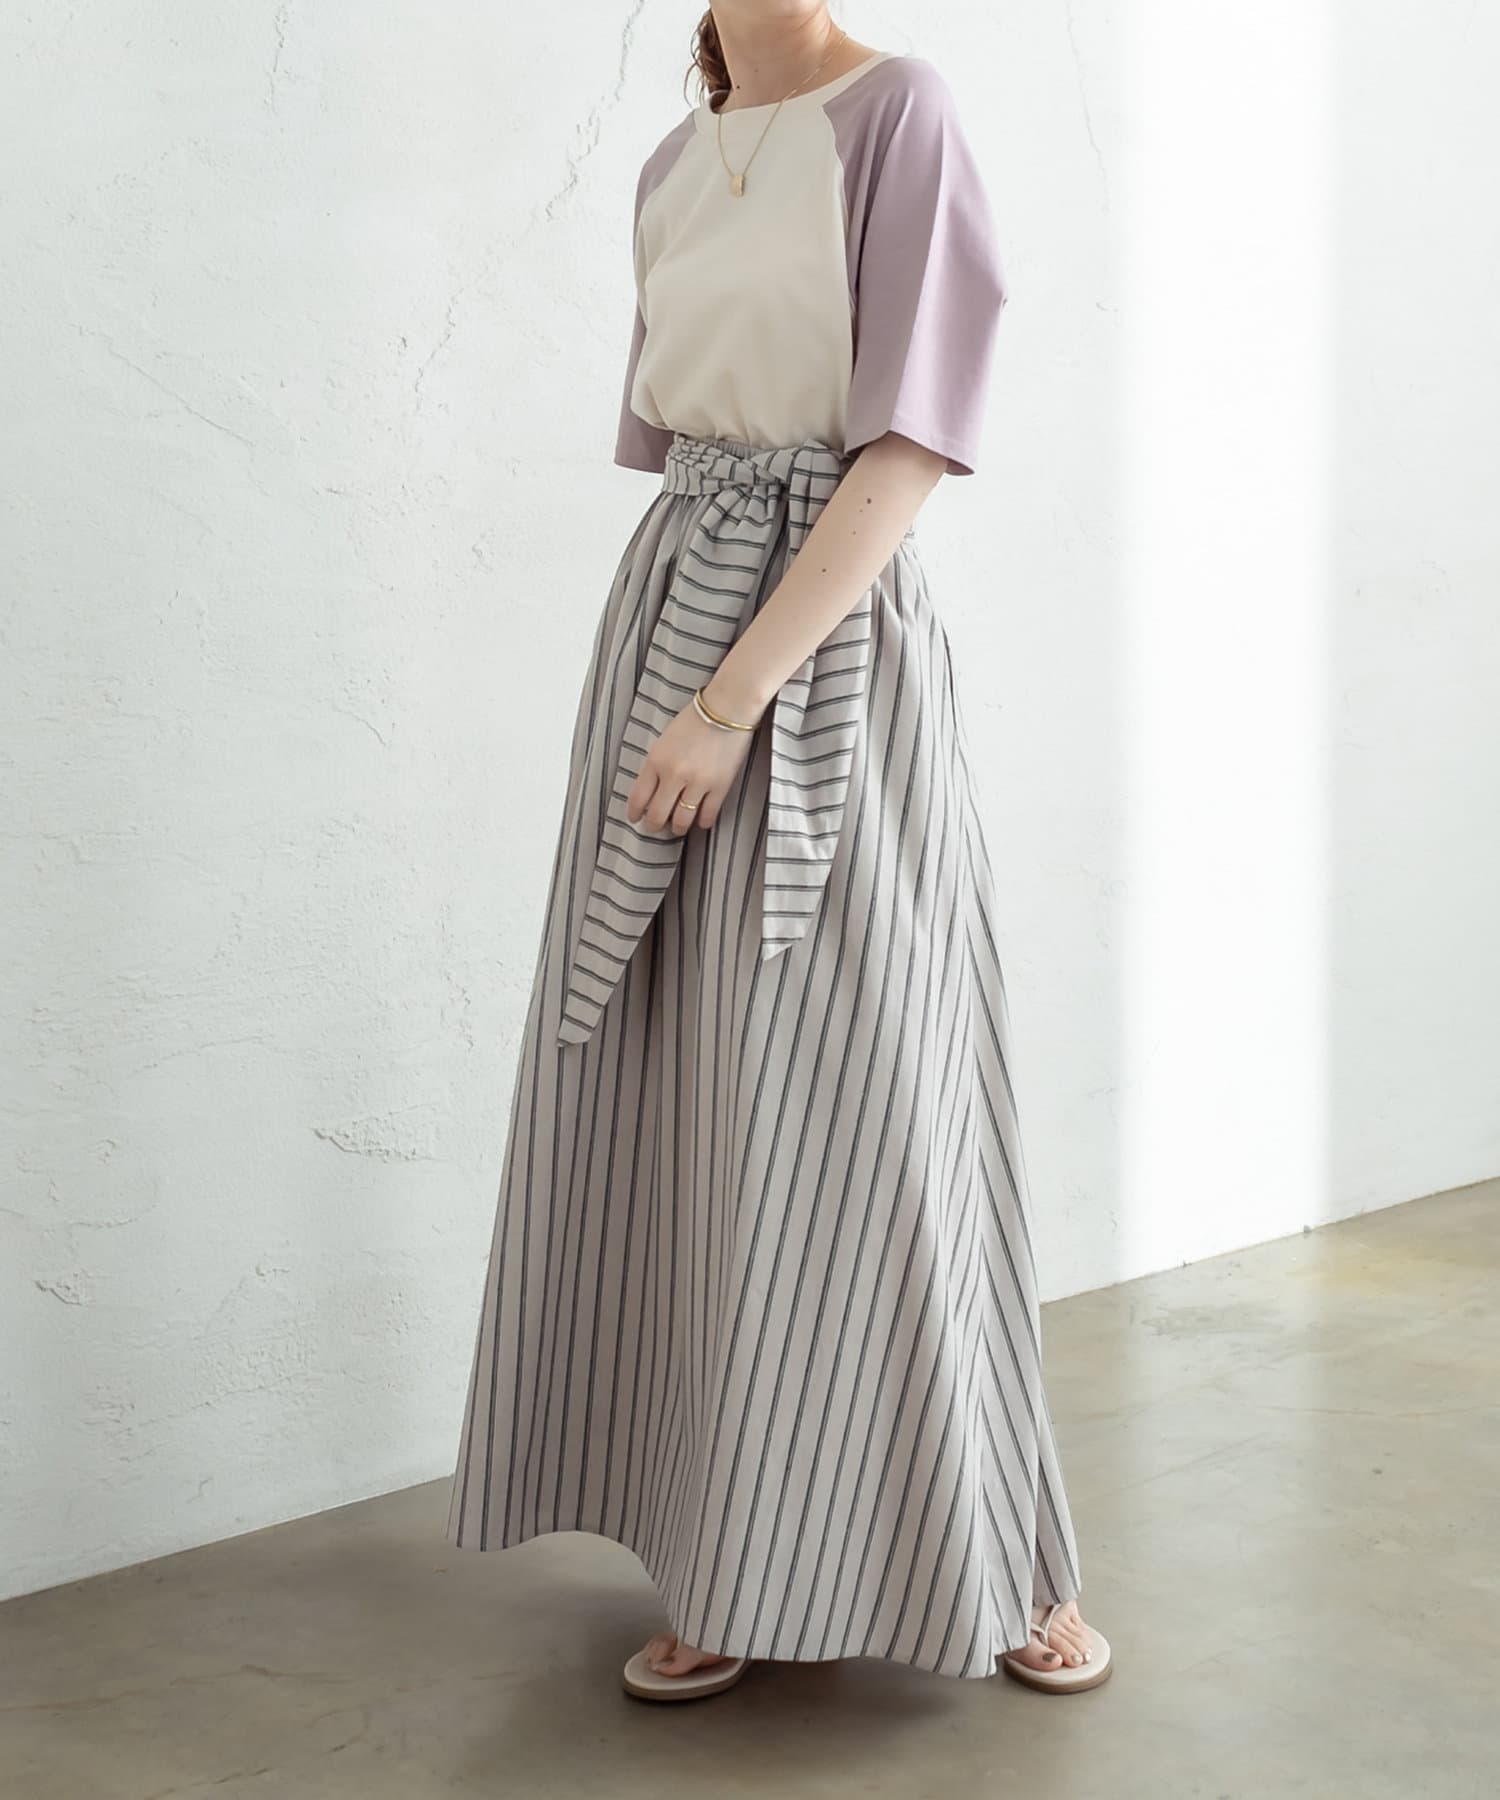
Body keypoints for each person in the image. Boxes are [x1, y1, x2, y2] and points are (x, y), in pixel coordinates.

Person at [445, 3, 1112, 1702]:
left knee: (876, 1092)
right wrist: (680, 691)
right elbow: (690, 450)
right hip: (671, 615)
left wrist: (733, 700)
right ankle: (728, 1558)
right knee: (688, 1096)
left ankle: (996, 1552)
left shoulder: (901, 113)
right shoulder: (678, 157)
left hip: (816, 658)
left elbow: (911, 443)